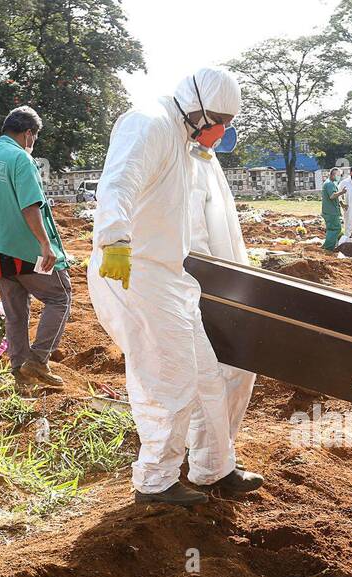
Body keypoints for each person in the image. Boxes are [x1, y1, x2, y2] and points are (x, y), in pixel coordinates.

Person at [89, 66, 264, 506]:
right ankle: (155, 480)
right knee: (168, 376)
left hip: (169, 275)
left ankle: (213, 468)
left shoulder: (185, 141)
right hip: (132, 270)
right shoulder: (147, 122)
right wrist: (114, 239)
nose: (222, 130)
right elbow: (119, 182)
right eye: (220, 119)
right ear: (199, 104)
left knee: (209, 375)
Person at [0, 106, 71, 391]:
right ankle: (38, 361)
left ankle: (20, 374)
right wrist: (45, 243)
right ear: (29, 134)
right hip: (27, 249)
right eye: (35, 137)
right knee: (60, 297)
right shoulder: (20, 157)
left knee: (15, 312)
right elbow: (30, 205)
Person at [186, 140, 258, 479]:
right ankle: (208, 463)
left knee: (238, 372)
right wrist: (213, 291)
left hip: (226, 283)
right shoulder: (186, 161)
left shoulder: (206, 159)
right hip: (203, 287)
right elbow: (194, 241)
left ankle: (218, 454)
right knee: (215, 378)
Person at [321, 168, 343, 250]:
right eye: (338, 175)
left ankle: (327, 246)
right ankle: (328, 248)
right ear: (333, 175)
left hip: (328, 210)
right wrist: (342, 192)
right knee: (335, 229)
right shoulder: (330, 184)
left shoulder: (328, 183)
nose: (339, 177)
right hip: (331, 211)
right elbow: (332, 196)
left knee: (331, 229)